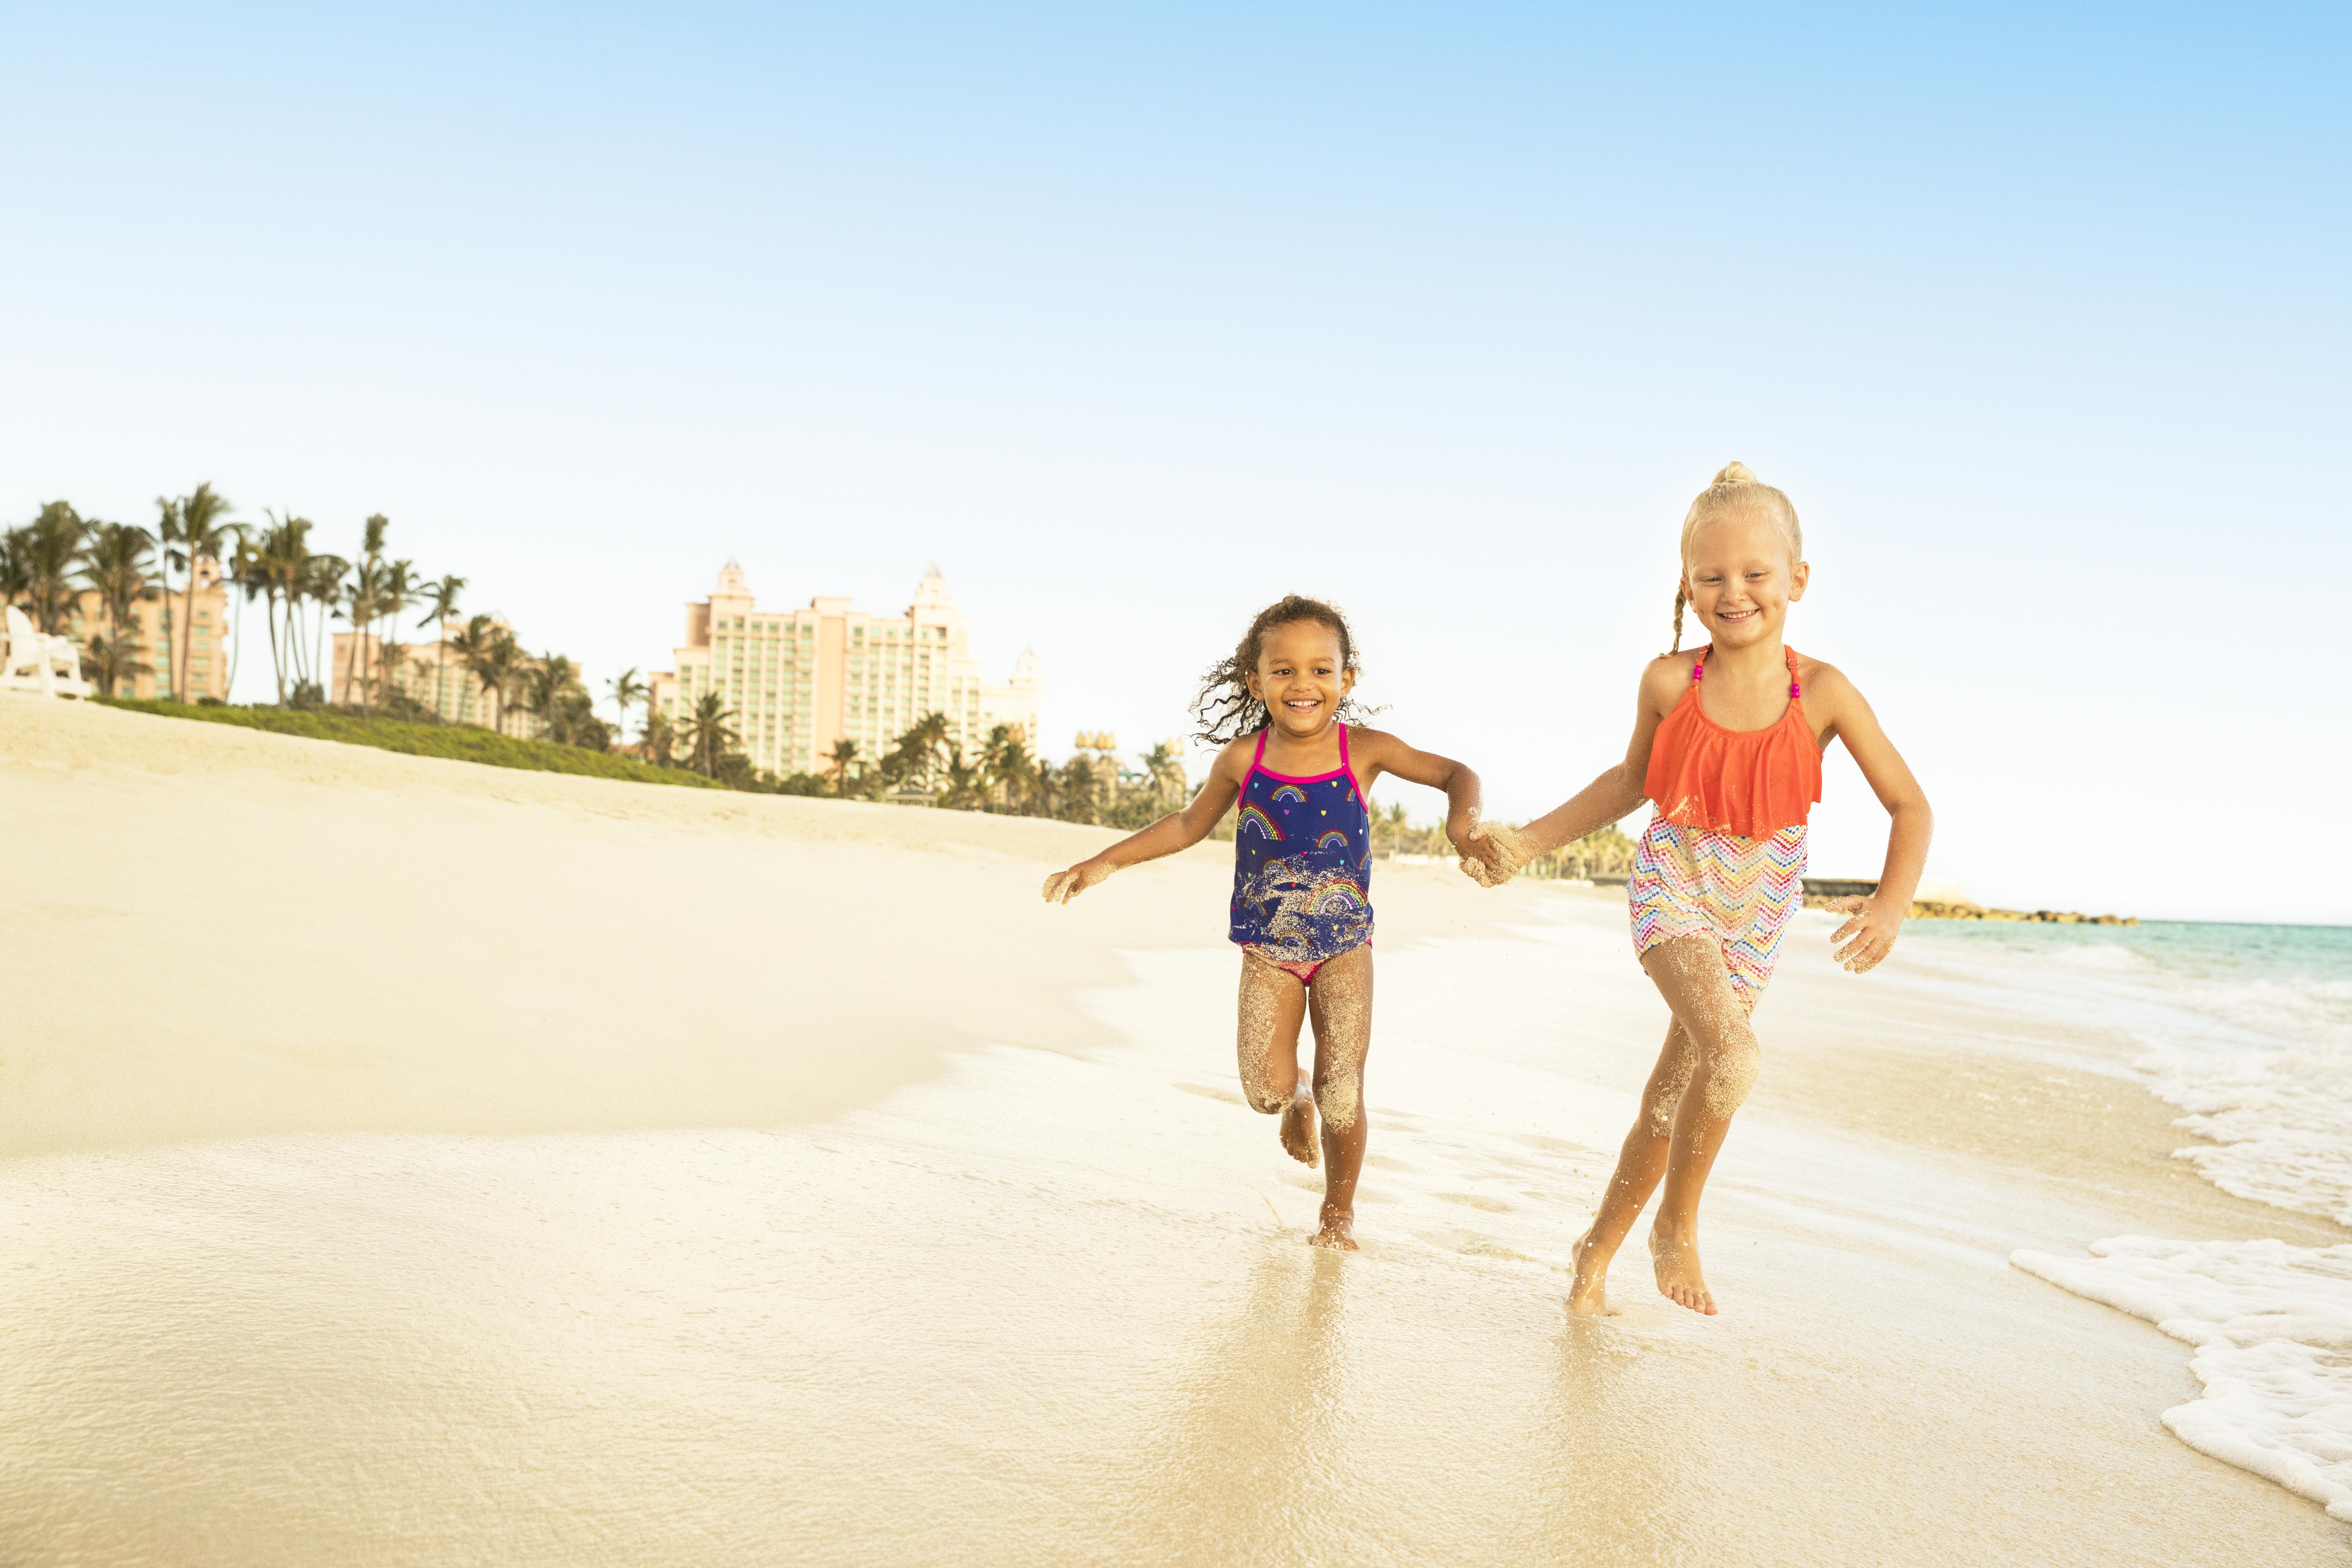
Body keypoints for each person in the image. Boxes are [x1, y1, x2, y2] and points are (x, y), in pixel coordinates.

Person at [1467, 462, 1931, 1314]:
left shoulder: (1822, 692)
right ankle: (1673, 1227)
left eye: (1755, 574)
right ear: (1685, 583)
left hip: (1755, 914)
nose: (1733, 592)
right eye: (1711, 576)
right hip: (1674, 884)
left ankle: (1591, 1255)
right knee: (1734, 1055)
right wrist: (1528, 841)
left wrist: (1891, 902)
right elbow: (1630, 781)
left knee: (1672, 1094)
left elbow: (1909, 805)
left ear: (1795, 579)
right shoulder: (1667, 681)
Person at [1043, 594, 1488, 1249]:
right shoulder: (1242, 760)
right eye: (1283, 671)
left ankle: (1338, 1215)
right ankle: (1295, 1101)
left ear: (1347, 679)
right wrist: (1103, 862)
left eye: (1320, 670)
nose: (1302, 684)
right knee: (1264, 1088)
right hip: (1268, 948)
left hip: (1344, 945)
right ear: (1256, 681)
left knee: (1346, 1087)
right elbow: (1189, 825)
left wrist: (1463, 822)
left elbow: (1457, 772)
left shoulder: (1364, 750)